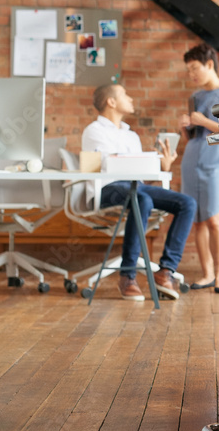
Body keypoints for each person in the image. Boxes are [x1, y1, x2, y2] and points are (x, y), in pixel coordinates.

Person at [82, 84, 197, 301]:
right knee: (140, 198)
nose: (131, 98)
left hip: (135, 186)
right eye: (125, 94)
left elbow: (140, 177)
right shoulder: (94, 131)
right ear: (111, 102)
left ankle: (166, 272)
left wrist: (161, 165)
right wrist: (145, 161)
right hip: (107, 188)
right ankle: (127, 276)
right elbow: (111, 167)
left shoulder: (131, 135)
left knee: (187, 203)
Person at [180, 43, 219, 294]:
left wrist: (204, 121)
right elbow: (191, 137)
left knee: (215, 219)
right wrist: (184, 126)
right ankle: (205, 275)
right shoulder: (194, 97)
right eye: (188, 70)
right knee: (198, 221)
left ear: (209, 64)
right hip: (191, 160)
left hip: (216, 162)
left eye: (194, 68)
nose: (191, 74)